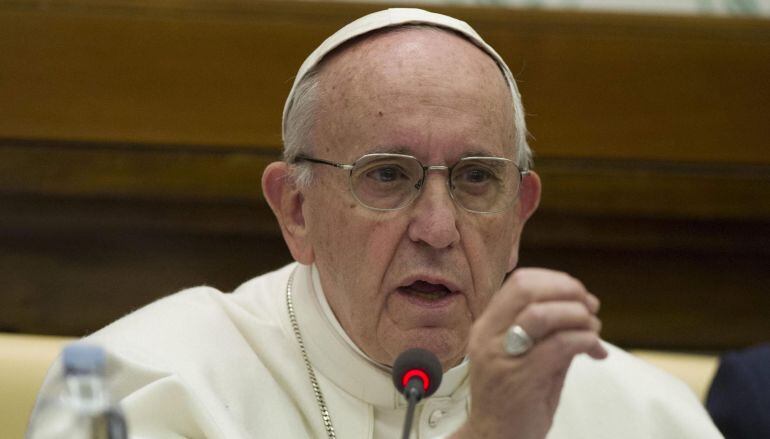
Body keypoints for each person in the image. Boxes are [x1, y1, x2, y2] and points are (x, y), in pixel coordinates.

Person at [32, 8, 721, 438]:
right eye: (388, 175)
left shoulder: (645, 415)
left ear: (518, 216)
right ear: (296, 210)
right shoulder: (148, 382)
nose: (437, 226)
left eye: (478, 178)